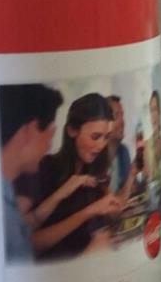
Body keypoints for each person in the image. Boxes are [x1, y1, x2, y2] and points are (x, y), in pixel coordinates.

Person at [17, 93, 125, 261]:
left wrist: (112, 213)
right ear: (72, 131)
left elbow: (105, 222)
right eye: (95, 137)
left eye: (106, 137)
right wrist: (88, 212)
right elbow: (30, 244)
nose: (101, 145)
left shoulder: (94, 173)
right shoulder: (45, 168)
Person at [0, 84, 63, 263]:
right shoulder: (2, 211)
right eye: (50, 134)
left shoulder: (4, 192)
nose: (49, 146)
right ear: (30, 130)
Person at [106, 95, 135, 198]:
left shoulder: (123, 152)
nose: (122, 121)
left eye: (122, 115)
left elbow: (129, 191)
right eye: (116, 116)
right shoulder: (94, 157)